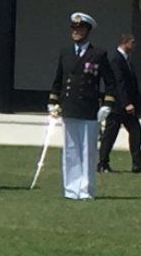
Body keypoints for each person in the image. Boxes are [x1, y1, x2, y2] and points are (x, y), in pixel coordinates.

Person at [48, 13, 116, 200]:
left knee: (87, 151)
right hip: (69, 106)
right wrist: (53, 101)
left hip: (88, 108)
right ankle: (71, 189)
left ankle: (85, 189)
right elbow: (59, 79)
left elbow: (110, 82)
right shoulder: (65, 52)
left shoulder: (98, 54)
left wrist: (107, 104)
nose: (76, 32)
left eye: (80, 29)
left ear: (87, 31)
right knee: (70, 151)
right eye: (74, 29)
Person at [98, 33, 141, 173]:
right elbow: (119, 83)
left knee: (136, 132)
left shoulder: (126, 59)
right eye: (132, 42)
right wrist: (126, 103)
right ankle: (102, 163)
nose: (134, 45)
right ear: (125, 43)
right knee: (110, 135)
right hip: (119, 106)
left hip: (126, 106)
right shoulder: (116, 59)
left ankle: (137, 163)